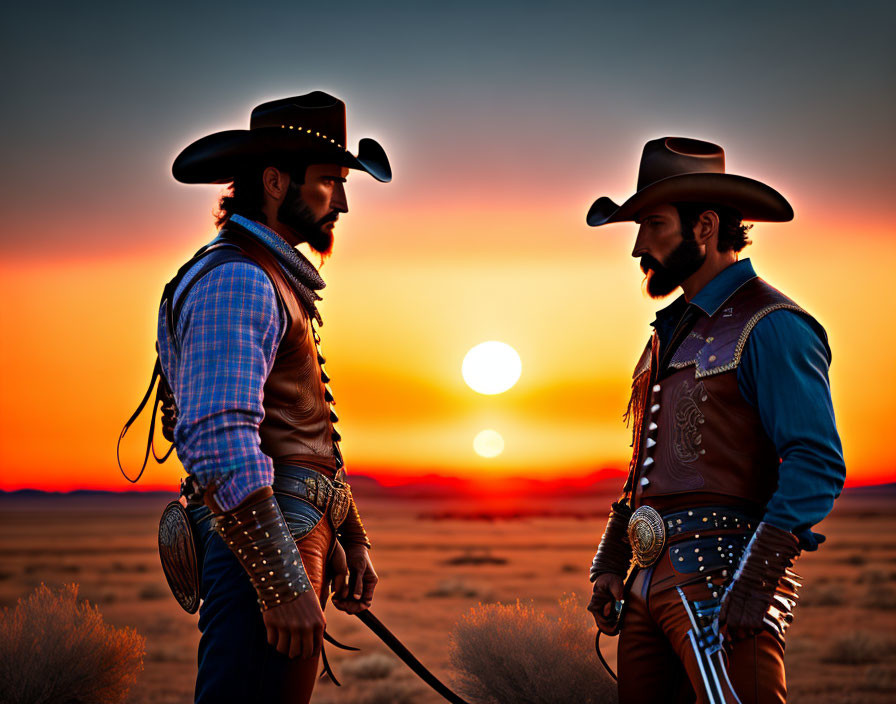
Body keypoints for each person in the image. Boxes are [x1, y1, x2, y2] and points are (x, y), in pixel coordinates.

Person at [585, 137, 845, 703]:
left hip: (723, 580)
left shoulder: (772, 324)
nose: (637, 246)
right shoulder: (669, 333)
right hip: (646, 584)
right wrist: (613, 558)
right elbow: (649, 465)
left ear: (704, 226)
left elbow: (816, 460)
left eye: (652, 224)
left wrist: (758, 576)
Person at [158, 91, 391, 703]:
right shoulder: (238, 277)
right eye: (329, 181)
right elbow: (219, 438)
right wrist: (281, 578)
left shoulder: (267, 274)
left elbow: (295, 431)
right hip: (262, 548)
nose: (340, 201)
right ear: (273, 180)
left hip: (283, 537)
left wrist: (345, 529)